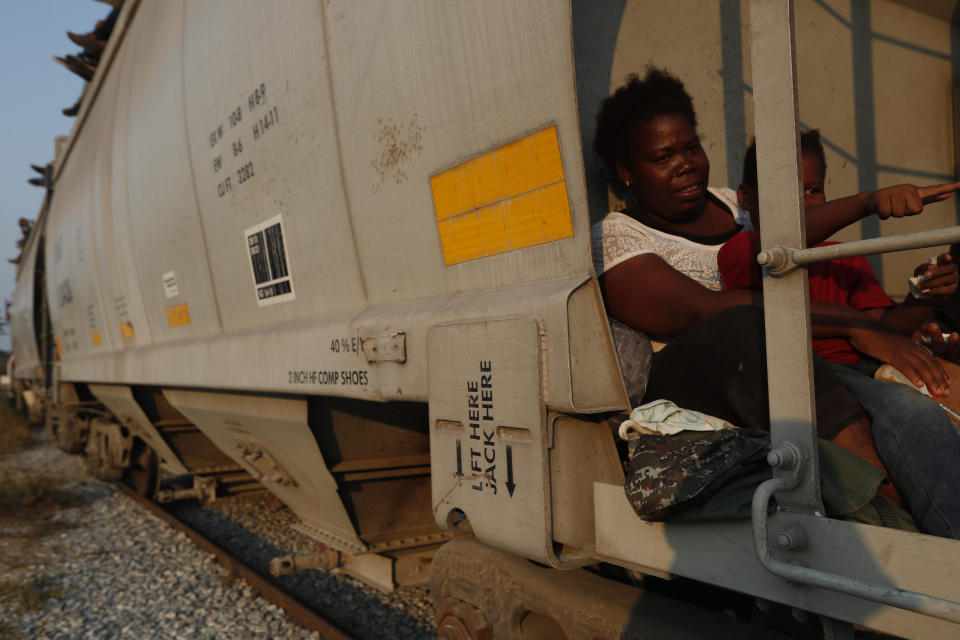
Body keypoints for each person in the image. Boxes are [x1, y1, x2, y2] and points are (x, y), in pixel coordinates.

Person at [592, 67, 960, 537]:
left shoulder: (734, 205)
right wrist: (850, 323)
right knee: (744, 324)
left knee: (917, 400)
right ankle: (885, 515)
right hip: (701, 379)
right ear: (627, 172)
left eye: (691, 147)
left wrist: (870, 204)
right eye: (663, 156)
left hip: (791, 355)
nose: (685, 164)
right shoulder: (618, 237)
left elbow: (795, 234)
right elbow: (704, 309)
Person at [717, 131, 960, 536]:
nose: (800, 203)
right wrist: (870, 202)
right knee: (916, 417)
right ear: (746, 198)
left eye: (812, 190)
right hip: (819, 373)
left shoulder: (842, 255)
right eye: (783, 189)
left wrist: (922, 297)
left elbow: (884, 329)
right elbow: (767, 301)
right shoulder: (743, 251)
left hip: (868, 367)